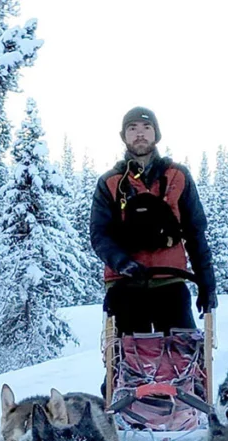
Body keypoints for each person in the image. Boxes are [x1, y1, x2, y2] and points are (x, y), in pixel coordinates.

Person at [90, 106, 217, 335]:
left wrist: (207, 283)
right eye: (132, 128)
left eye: (146, 127)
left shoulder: (178, 176)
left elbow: (195, 232)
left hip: (171, 282)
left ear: (156, 134)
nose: (140, 133)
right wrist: (122, 262)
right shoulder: (110, 182)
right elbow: (100, 235)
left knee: (182, 360)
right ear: (124, 136)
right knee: (126, 362)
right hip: (124, 285)